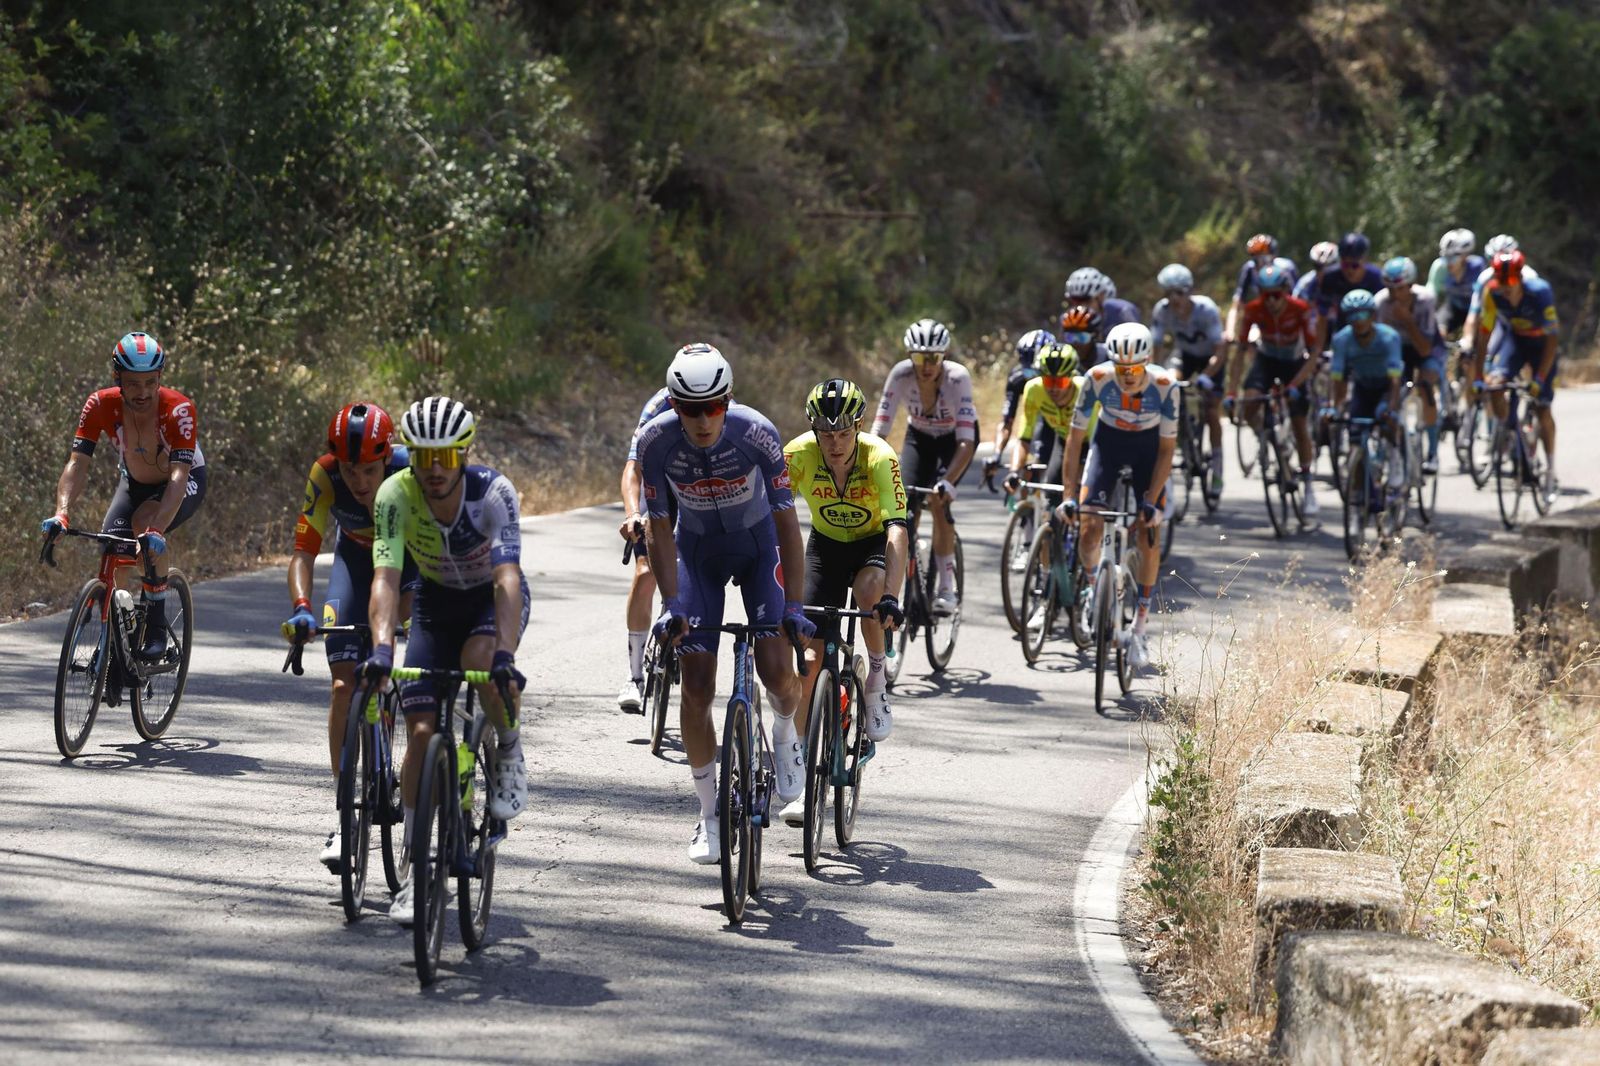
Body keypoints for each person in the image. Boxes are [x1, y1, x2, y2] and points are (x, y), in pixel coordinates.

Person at [637, 344, 813, 864]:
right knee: (695, 686)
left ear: (728, 400)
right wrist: (671, 602)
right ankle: (710, 816)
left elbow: (787, 524)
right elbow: (658, 527)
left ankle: (785, 732)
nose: (702, 419)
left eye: (713, 406)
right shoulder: (655, 442)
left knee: (777, 670)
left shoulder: (757, 432)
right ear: (673, 404)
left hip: (758, 547)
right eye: (690, 409)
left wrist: (795, 605)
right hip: (697, 553)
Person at [360, 395, 530, 923]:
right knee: (419, 733)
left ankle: (508, 747)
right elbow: (386, 579)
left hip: (488, 601)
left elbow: (507, 578)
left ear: (464, 455)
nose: (435, 469)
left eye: (446, 457)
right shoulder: (395, 494)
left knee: (483, 661)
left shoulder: (493, 494)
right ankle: (415, 872)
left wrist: (505, 654)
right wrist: (382, 649)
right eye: (423, 457)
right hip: (434, 604)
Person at [282, 402, 420, 870]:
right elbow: (303, 552)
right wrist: (302, 607)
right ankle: (346, 816)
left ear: (386, 459)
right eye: (349, 470)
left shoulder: (410, 472)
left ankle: (407, 792)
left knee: (400, 672)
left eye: (368, 470)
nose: (358, 481)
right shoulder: (324, 476)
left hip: (410, 563)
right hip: (355, 560)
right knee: (343, 684)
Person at [783, 379, 907, 826]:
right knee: (808, 661)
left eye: (842, 433)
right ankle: (799, 776)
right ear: (814, 430)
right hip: (825, 547)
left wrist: (892, 596)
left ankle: (875, 680)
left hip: (871, 545)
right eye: (825, 434)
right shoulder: (798, 455)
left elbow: (897, 528)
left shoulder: (880, 457)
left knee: (869, 590)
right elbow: (768, 513)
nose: (834, 444)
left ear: (858, 427)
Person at [43, 332, 206, 662]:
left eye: (150, 383)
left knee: (144, 527)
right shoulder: (100, 404)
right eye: (133, 384)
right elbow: (77, 464)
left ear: (160, 378)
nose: (143, 392)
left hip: (182, 481)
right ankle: (118, 644)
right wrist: (62, 512)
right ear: (117, 377)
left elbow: (178, 477)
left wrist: (157, 529)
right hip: (134, 483)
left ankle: (156, 627)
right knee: (112, 549)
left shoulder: (179, 409)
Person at [1059, 323, 1176, 669]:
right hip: (1108, 444)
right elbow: (1074, 440)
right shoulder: (1096, 377)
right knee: (1088, 526)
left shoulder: (1165, 385)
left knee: (1148, 533)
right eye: (1120, 368)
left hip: (1149, 450)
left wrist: (1152, 500)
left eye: (1134, 369)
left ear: (1148, 362)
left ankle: (1139, 627)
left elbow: (1167, 450)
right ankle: (1094, 589)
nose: (1126, 376)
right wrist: (1069, 495)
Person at [872, 319, 977, 616]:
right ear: (910, 356)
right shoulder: (900, 374)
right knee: (903, 506)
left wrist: (948, 482)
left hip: (954, 442)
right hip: (918, 438)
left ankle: (946, 587)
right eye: (919, 357)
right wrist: (867, 466)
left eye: (933, 357)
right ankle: (908, 568)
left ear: (944, 356)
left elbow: (967, 442)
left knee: (938, 500)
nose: (927, 365)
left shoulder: (958, 378)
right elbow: (880, 429)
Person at [1229, 263, 1323, 515]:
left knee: (1299, 423)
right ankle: (1268, 437)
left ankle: (1308, 484)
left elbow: (1314, 354)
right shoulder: (1253, 309)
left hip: (1294, 362)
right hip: (1267, 359)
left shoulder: (1301, 309)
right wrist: (1231, 393)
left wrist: (1295, 384)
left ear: (1285, 291)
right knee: (1249, 405)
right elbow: (1240, 352)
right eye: (1265, 295)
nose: (1271, 301)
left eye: (1276, 295)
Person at [1472, 250, 1560, 500]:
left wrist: (1539, 379)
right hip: (1516, 342)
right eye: (1501, 281)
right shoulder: (1492, 293)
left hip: (1542, 346)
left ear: (1520, 278)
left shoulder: (1540, 292)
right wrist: (1478, 376)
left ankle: (1551, 470)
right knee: (1495, 385)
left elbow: (1553, 339)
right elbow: (1484, 336)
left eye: (1510, 281)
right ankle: (1509, 432)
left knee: (1543, 408)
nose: (1505, 288)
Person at [616, 382, 674, 711]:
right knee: (645, 572)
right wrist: (633, 514)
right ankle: (635, 675)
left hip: (701, 494)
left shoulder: (724, 408)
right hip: (659, 492)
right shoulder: (658, 407)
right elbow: (633, 469)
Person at [1149, 263, 1227, 495]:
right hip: (1185, 356)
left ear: (1189, 291)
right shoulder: (1162, 311)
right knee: (1169, 383)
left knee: (1211, 410)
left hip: (1211, 359)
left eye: (1179, 293)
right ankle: (1182, 432)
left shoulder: (1206, 309)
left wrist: (1207, 376)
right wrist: (1154, 374)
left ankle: (1218, 467)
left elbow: (1221, 349)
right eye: (1169, 293)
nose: (1174, 299)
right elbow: (1156, 347)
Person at [1326, 290, 1405, 502]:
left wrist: (1392, 407)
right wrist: (1333, 407)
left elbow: (1395, 379)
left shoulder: (1389, 337)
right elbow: (1337, 378)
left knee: (1385, 417)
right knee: (1355, 434)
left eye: (1362, 315)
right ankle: (1363, 489)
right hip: (1362, 387)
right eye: (1352, 316)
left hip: (1387, 387)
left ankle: (1395, 457)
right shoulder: (1341, 340)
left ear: (1372, 315)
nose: (1358, 321)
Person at [1374, 257, 1447, 473]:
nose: (1396, 294)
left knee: (1426, 387)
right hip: (1398, 350)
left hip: (1426, 347)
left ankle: (1432, 451)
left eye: (1401, 289)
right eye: (1391, 289)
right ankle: (1386, 448)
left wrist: (1407, 320)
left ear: (1411, 285)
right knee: (1391, 393)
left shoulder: (1425, 300)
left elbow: (1424, 348)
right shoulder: (1381, 303)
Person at [1004, 342, 1085, 508]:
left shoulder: (1084, 389)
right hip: (1064, 441)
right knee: (1051, 497)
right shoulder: (1034, 389)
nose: (1054, 389)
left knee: (1081, 494)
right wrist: (1014, 472)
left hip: (1091, 444)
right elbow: (1024, 437)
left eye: (1061, 382)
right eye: (1048, 381)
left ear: (1072, 377)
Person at [986, 328, 1053, 482]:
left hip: (1059, 422)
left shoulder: (1063, 379)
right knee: (1026, 472)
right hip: (1036, 419)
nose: (1032, 377)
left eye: (1038, 371)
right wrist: (997, 454)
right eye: (1027, 368)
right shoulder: (1016, 379)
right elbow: (1007, 421)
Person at [1310, 232, 1384, 355]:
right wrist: (1317, 351)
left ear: (1365, 260)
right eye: (1345, 264)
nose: (1349, 270)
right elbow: (1322, 317)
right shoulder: (1330, 277)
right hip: (1344, 335)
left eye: (1355, 265)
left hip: (1373, 336)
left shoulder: (1377, 278)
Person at [1225, 234, 1299, 344]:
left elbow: (1297, 302)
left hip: (1287, 318)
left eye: (1264, 258)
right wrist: (1229, 331)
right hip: (1263, 317)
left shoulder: (1286, 268)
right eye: (1256, 260)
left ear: (1274, 256)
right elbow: (1236, 305)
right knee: (1252, 341)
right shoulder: (1249, 270)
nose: (1260, 264)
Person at [1427, 228, 1486, 339]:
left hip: (1475, 309)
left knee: (1476, 336)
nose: (1449, 262)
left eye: (1453, 257)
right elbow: (1430, 296)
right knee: (1436, 333)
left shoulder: (1478, 267)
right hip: (1453, 308)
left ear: (1465, 256)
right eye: (1445, 256)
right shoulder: (1439, 268)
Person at [1066, 267, 1140, 339]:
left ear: (1101, 296)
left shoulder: (1122, 311)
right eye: (1075, 302)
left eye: (1087, 301)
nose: (1081, 307)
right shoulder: (1067, 318)